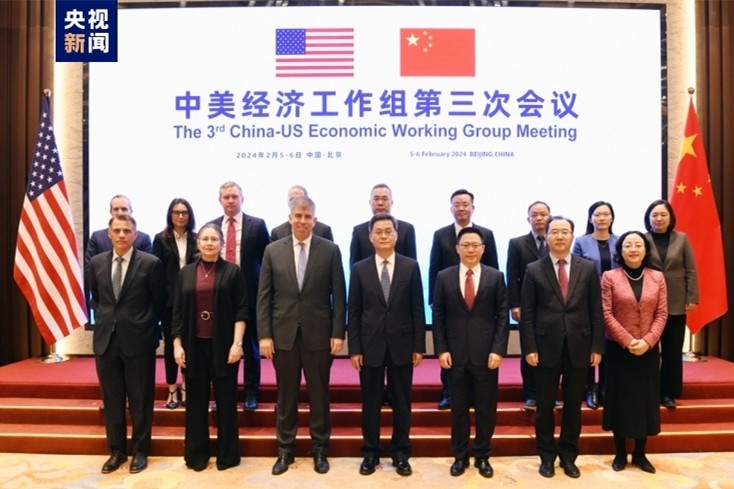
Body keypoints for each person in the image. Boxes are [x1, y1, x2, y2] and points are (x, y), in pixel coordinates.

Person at [257, 195, 346, 475]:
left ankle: (320, 449)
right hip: (282, 335)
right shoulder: (273, 250)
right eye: (298, 216)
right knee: (286, 396)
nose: (302, 221)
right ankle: (285, 449)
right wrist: (264, 335)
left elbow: (339, 295)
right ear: (290, 218)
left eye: (308, 217)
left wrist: (338, 332)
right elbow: (264, 296)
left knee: (319, 394)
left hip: (319, 335)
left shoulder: (330, 250)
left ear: (315, 220)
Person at [520, 215, 604, 479]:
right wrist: (529, 348)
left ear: (572, 236)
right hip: (545, 347)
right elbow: (528, 314)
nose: (559, 236)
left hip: (579, 346)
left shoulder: (587, 268)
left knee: (572, 406)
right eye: (554, 231)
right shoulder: (534, 269)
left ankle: (569, 456)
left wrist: (597, 346)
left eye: (564, 231)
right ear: (547, 236)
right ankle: (546, 456)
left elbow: (596, 311)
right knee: (544, 406)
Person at [348, 213, 426, 477]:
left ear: (396, 235)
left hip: (402, 344)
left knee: (402, 402)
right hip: (369, 345)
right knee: (370, 403)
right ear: (370, 237)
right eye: (378, 232)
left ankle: (401, 453)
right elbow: (354, 310)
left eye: (388, 231)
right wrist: (354, 348)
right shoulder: (359, 268)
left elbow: (417, 308)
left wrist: (418, 345)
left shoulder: (410, 266)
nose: (383, 235)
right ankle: (370, 452)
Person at [87, 214, 165, 474]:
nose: (121, 235)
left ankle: (140, 451)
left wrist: (145, 326)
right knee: (112, 400)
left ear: (135, 234)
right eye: (117, 230)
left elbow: (159, 301)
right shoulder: (97, 263)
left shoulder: (151, 263)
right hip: (106, 341)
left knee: (141, 399)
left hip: (139, 341)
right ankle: (117, 451)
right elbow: (97, 298)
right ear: (109, 234)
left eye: (126, 231)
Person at [433, 227, 509, 479]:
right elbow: (438, 315)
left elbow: (502, 316)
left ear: (483, 249)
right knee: (458, 408)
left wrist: (498, 349)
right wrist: (441, 349)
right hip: (454, 354)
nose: (470, 250)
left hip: (486, 355)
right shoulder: (444, 277)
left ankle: (483, 455)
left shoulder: (495, 276)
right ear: (457, 249)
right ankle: (460, 456)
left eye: (475, 245)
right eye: (465, 245)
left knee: (486, 408)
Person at [171, 223, 248, 472]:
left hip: (224, 347)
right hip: (193, 347)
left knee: (226, 403)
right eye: (205, 238)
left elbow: (241, 311)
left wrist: (237, 344)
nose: (209, 243)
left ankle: (228, 456)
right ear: (198, 242)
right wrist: (177, 345)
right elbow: (177, 313)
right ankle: (197, 455)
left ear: (222, 243)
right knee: (195, 404)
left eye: (214, 239)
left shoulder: (233, 272)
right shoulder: (186, 273)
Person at [601, 231, 668, 474]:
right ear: (620, 251)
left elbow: (662, 313)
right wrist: (628, 341)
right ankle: (620, 453)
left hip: (648, 350)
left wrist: (648, 341)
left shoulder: (657, 277)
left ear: (645, 250)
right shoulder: (609, 277)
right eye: (628, 245)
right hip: (619, 349)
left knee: (645, 400)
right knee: (620, 399)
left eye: (638, 245)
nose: (633, 249)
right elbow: (606, 313)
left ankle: (640, 453)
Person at [428, 189, 499, 410]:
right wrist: (433, 299)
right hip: (450, 301)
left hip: (479, 300)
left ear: (473, 208)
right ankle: (449, 394)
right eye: (457, 204)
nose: (461, 208)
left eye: (465, 204)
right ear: (451, 208)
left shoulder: (485, 234)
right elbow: (434, 268)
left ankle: (474, 395)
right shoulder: (441, 234)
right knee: (451, 351)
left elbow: (493, 267)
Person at [209, 181, 270, 410]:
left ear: (242, 199)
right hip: (220, 296)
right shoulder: (212, 227)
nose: (231, 200)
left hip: (250, 294)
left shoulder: (257, 225)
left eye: (235, 196)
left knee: (251, 346)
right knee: (221, 346)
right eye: (226, 197)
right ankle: (224, 393)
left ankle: (251, 392)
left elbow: (266, 260)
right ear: (220, 200)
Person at [644, 199, 698, 408]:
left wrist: (692, 297)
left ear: (670, 218)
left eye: (663, 214)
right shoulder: (642, 239)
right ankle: (650, 391)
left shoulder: (681, 238)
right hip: (649, 303)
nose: (659, 218)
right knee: (649, 352)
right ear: (648, 218)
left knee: (672, 351)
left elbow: (690, 270)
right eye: (654, 214)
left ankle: (669, 392)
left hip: (676, 301)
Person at [506, 201, 557, 411]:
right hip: (527, 307)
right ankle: (531, 394)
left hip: (553, 307)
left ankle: (550, 394)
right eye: (534, 215)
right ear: (528, 219)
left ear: (549, 217)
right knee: (529, 349)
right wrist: (514, 305)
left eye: (543, 214)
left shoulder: (557, 241)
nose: (539, 218)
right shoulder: (517, 243)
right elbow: (512, 276)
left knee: (552, 352)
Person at [571, 201, 620, 410]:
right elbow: (576, 271)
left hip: (615, 300)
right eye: (597, 214)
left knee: (609, 343)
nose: (602, 218)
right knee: (590, 344)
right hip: (588, 300)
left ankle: (606, 387)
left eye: (606, 214)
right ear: (590, 218)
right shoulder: (581, 242)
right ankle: (590, 387)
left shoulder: (620, 241)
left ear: (612, 218)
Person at [152, 198, 197, 409]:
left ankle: (186, 387)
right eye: (176, 212)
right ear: (170, 215)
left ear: (190, 215)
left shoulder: (196, 238)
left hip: (192, 300)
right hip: (169, 302)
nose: (180, 216)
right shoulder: (160, 239)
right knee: (171, 346)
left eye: (184, 212)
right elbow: (157, 272)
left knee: (189, 345)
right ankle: (172, 388)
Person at [349, 183, 417, 267]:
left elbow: (412, 266)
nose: (380, 203)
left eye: (385, 199)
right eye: (376, 199)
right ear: (370, 202)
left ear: (392, 202)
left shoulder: (407, 229)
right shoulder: (359, 231)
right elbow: (354, 267)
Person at [85, 194, 152, 265]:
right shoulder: (97, 237)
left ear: (131, 211)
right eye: (116, 209)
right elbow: (90, 266)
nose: (120, 212)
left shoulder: (143, 239)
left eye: (124, 209)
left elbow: (148, 266)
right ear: (111, 212)